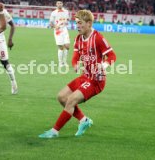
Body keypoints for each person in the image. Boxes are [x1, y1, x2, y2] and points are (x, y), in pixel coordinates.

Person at [39, 9, 117, 138]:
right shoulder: (78, 39)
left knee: (70, 100)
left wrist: (103, 65)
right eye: (76, 22)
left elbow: (112, 56)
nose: (77, 25)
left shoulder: (98, 38)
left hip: (96, 80)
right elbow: (75, 56)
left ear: (89, 23)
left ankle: (54, 131)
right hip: (85, 77)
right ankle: (83, 120)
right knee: (61, 97)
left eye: (80, 23)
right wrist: (75, 64)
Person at [49, 1, 70, 67]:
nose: (59, 4)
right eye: (58, 3)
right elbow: (51, 23)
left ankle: (65, 62)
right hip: (58, 31)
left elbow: (67, 19)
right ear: (56, 4)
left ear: (62, 4)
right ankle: (61, 63)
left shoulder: (66, 11)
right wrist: (55, 26)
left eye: (60, 3)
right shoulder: (54, 13)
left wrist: (66, 22)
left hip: (64, 30)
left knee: (67, 46)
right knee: (61, 47)